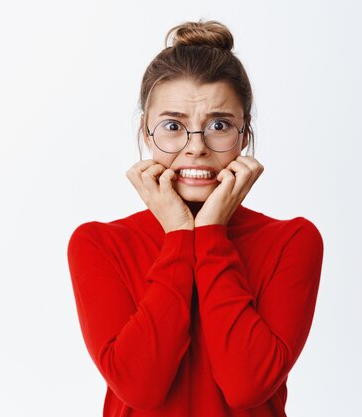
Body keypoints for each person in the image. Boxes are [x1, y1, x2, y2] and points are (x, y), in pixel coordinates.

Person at [67, 19, 324, 417]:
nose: (196, 148)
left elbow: (247, 385)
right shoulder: (98, 244)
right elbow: (141, 387)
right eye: (173, 126)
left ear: (245, 134)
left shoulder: (292, 240)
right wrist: (178, 237)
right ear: (146, 133)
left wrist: (209, 235)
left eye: (219, 125)